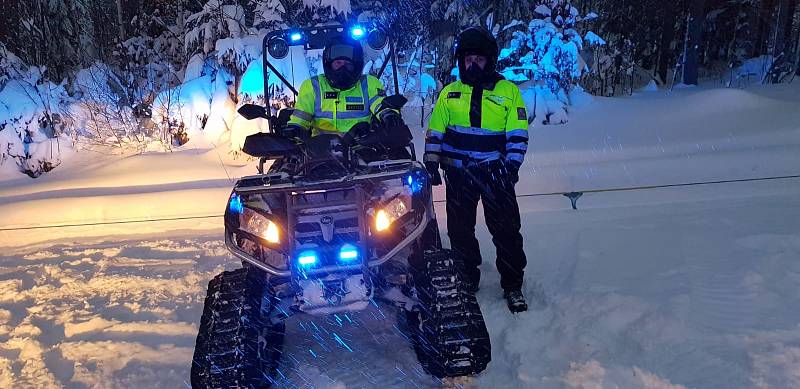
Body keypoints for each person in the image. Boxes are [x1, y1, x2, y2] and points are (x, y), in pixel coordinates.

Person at [423, 26, 530, 313]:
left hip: (496, 173)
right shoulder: (449, 93)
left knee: (506, 230)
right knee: (459, 231)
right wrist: (431, 162)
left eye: (479, 60)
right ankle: (467, 278)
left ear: (490, 60)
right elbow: (436, 132)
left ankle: (513, 285)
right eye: (468, 59)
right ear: (460, 61)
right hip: (458, 175)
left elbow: (518, 135)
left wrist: (511, 168)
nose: (473, 65)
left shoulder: (508, 92)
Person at [284, 35, 403, 143]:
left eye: (348, 64)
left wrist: (389, 115)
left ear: (356, 65)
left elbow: (380, 105)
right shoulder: (313, 85)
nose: (343, 68)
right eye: (338, 63)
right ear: (328, 63)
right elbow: (300, 119)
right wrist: (294, 129)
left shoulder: (368, 83)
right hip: (321, 150)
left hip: (362, 147)